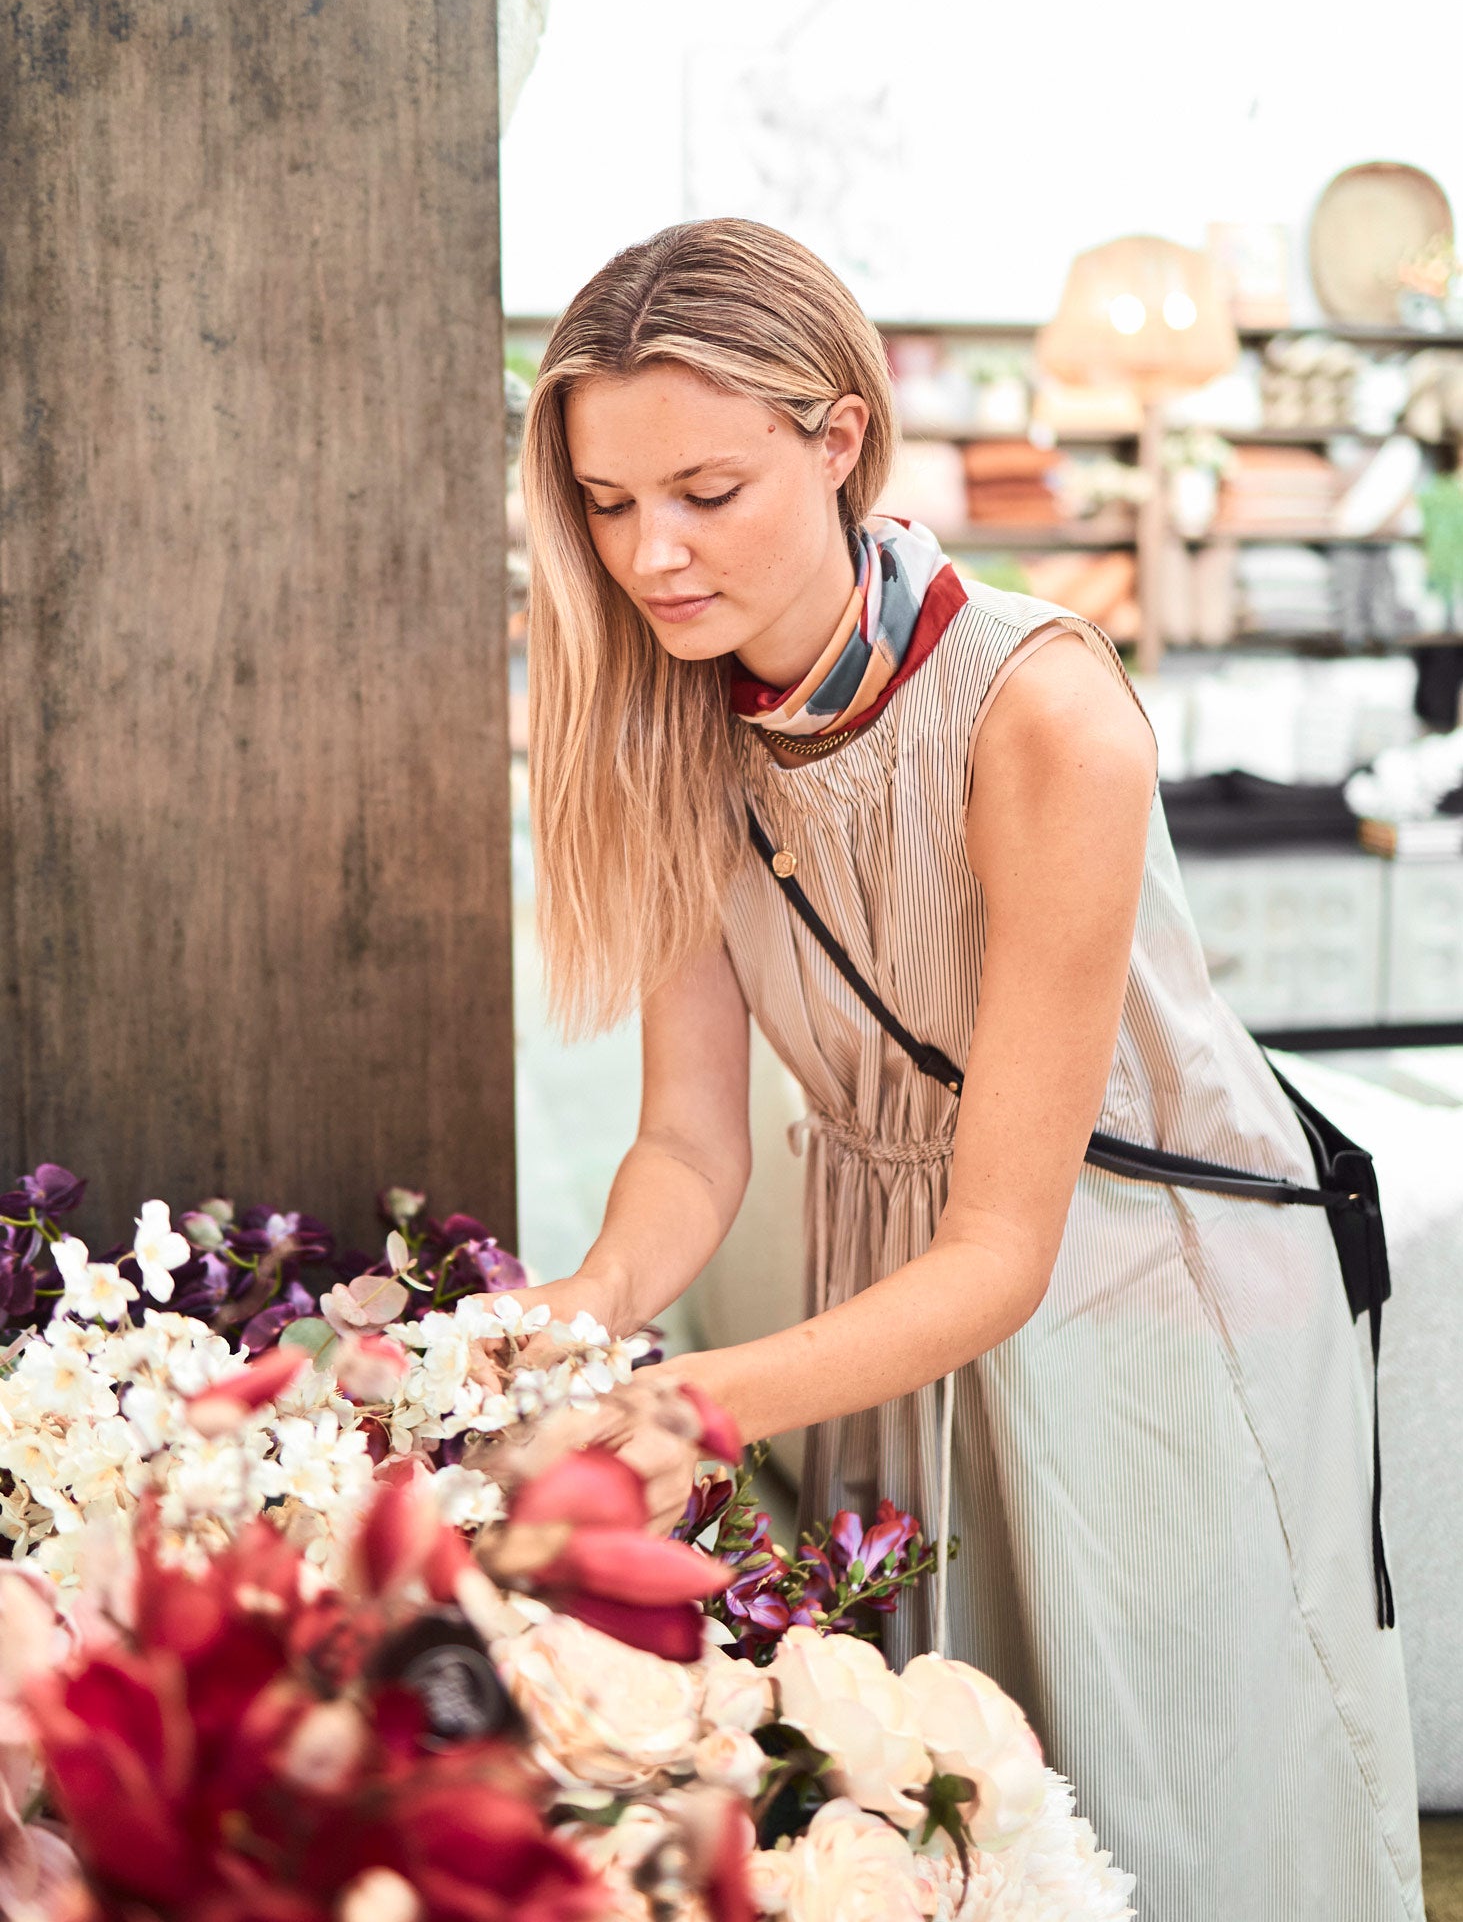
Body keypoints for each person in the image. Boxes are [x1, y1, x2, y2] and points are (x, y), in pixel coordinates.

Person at [519, 217, 1422, 1921]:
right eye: (607, 503)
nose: (650, 555)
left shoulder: (1039, 714)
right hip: (892, 1293)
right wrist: (575, 1323)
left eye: (706, 493)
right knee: (925, 1800)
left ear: (839, 434)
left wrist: (680, 1404)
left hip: (1135, 1290)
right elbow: (693, 1148)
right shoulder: (667, 712)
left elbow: (1009, 1246)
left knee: (1141, 1793)